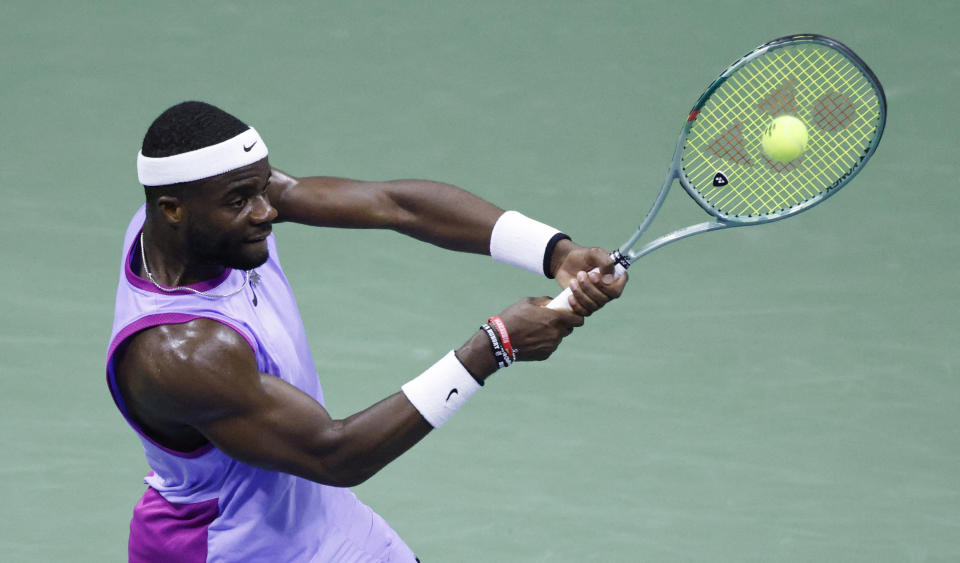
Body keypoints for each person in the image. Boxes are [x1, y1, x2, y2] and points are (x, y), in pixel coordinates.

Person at [106, 101, 627, 562]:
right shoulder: (183, 353)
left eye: (263, 188)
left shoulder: (196, 215)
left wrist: (554, 252)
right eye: (241, 201)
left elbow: (397, 205)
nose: (267, 211)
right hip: (232, 545)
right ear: (172, 210)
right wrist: (495, 346)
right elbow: (334, 453)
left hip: (317, 516)